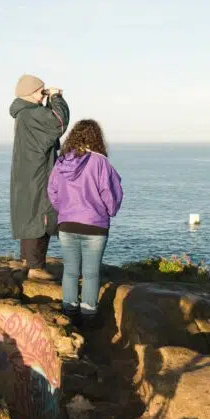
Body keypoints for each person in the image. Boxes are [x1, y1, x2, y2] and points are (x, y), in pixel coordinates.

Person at [47, 120, 123, 326]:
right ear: (97, 138)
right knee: (91, 273)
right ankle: (89, 317)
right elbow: (111, 194)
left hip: (67, 224)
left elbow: (52, 191)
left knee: (70, 271)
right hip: (95, 225)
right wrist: (108, 211)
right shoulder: (101, 162)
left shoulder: (61, 162)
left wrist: (62, 210)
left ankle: (69, 313)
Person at [10, 74, 70, 280]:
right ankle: (36, 267)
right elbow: (59, 123)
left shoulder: (23, 114)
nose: (43, 94)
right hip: (39, 173)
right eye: (40, 90)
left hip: (28, 173)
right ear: (30, 93)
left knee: (29, 213)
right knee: (41, 215)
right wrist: (56, 98)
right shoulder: (32, 114)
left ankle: (28, 261)